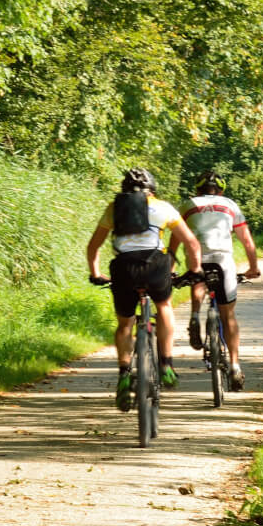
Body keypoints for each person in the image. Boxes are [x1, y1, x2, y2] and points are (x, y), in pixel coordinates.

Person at [86, 168, 203, 411]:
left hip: (123, 268)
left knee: (125, 323)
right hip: (155, 265)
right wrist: (195, 269)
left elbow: (93, 246)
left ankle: (124, 374)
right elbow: (191, 243)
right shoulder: (164, 207)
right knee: (164, 306)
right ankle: (166, 365)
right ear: (152, 188)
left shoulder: (114, 208)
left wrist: (95, 273)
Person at [170, 170, 261, 390]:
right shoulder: (230, 205)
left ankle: (194, 316)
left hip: (198, 259)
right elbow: (247, 241)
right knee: (228, 314)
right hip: (223, 260)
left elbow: (174, 243)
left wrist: (170, 270)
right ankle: (235, 366)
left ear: (198, 189)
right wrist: (253, 267)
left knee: (197, 276)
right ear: (220, 190)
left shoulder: (187, 205)